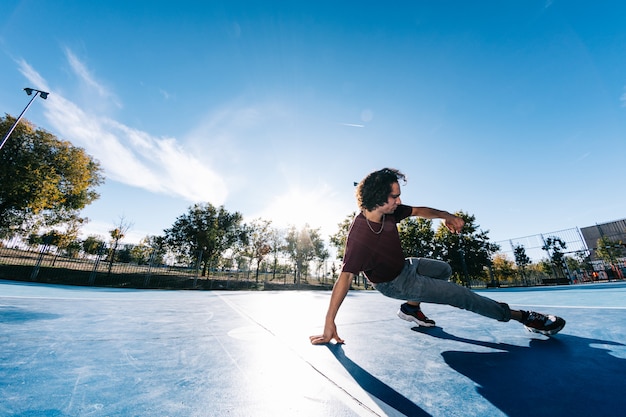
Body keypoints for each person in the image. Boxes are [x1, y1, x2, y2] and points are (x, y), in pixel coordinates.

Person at [309, 168, 565, 345]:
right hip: (393, 283)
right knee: (461, 295)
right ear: (378, 199)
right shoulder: (359, 235)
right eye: (394, 196)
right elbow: (343, 279)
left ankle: (411, 308)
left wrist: (447, 216)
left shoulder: (390, 212)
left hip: (406, 267)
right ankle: (526, 318)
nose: (399, 200)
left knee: (444, 269)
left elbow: (420, 211)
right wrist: (329, 322)